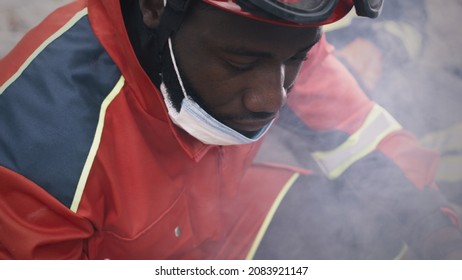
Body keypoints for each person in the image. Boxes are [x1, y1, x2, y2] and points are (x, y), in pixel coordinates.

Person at [0, 0, 460, 259]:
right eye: (240, 64)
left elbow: (362, 138)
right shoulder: (36, 147)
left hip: (227, 234)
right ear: (155, 8)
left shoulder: (269, 41)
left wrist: (432, 226)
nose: (272, 97)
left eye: (296, 59)